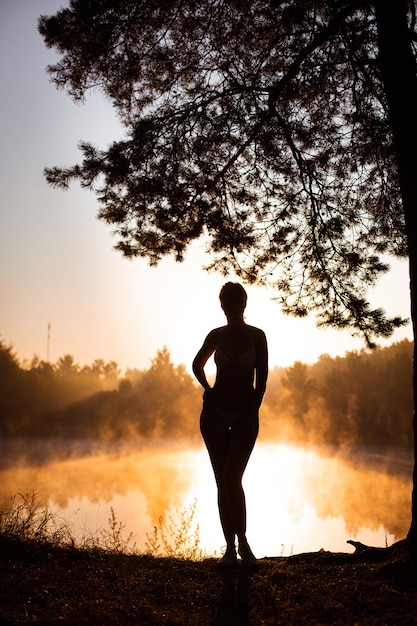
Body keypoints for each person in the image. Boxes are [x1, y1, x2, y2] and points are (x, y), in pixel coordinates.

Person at [192, 282, 268, 567]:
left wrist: (252, 412)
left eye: (237, 302)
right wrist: (207, 389)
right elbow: (196, 364)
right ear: (221, 305)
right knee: (222, 482)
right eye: (227, 302)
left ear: (244, 304)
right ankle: (229, 548)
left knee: (233, 477)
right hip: (213, 417)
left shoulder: (257, 337)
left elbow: (262, 381)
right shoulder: (216, 335)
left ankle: (245, 545)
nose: (232, 307)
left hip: (245, 418)